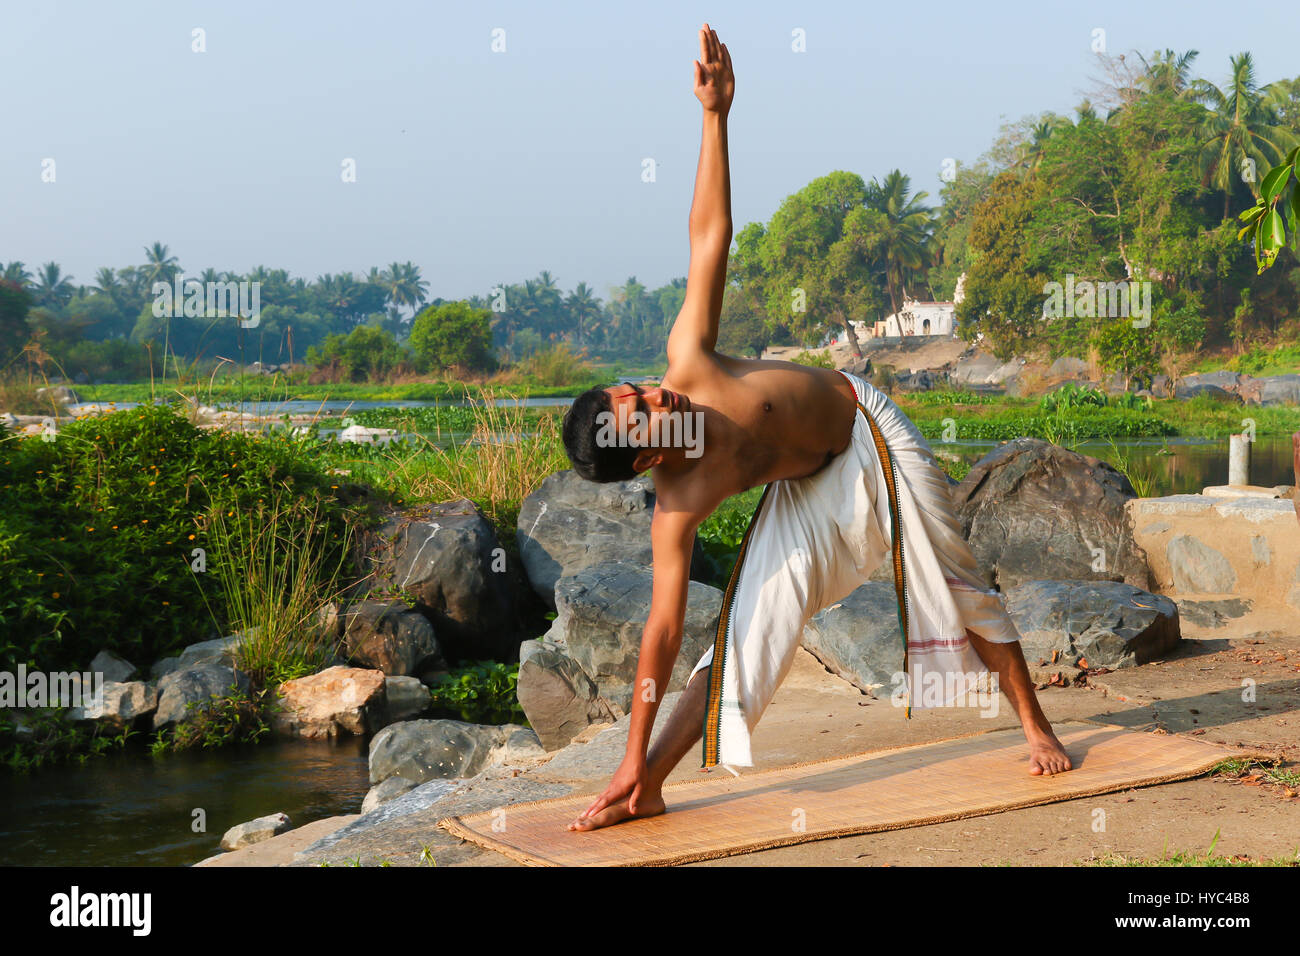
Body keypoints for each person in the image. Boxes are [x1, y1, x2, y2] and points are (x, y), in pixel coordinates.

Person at [559, 24, 1072, 833]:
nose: (659, 397)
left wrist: (715, 117)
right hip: (803, 490)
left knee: (952, 574)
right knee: (743, 635)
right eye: (644, 413)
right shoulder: (677, 504)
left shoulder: (689, 359)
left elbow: (708, 237)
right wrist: (628, 749)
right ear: (642, 457)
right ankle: (648, 782)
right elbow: (657, 633)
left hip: (868, 427)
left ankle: (1035, 723)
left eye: (641, 390)